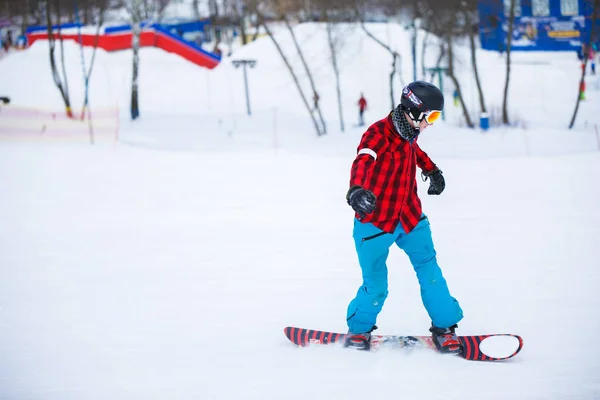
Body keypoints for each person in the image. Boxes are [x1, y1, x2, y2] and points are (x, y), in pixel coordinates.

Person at [344, 81, 464, 353]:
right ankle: (359, 330)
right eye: (430, 116)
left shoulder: (410, 133)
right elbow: (364, 159)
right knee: (376, 286)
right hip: (375, 221)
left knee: (431, 273)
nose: (430, 124)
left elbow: (415, 152)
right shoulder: (377, 134)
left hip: (410, 217)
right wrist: (356, 190)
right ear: (414, 111)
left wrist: (432, 171)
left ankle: (445, 327)